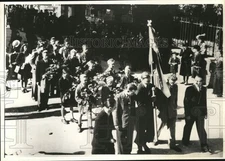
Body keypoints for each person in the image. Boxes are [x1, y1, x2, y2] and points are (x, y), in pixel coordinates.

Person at [182, 76, 209, 152]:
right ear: (194, 81)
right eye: (196, 81)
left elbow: (204, 101)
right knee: (188, 126)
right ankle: (185, 141)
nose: (198, 83)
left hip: (200, 113)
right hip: (190, 112)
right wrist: (187, 114)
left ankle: (204, 144)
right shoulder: (189, 89)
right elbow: (186, 102)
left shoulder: (204, 89)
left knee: (201, 128)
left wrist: (205, 112)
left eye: (200, 81)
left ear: (202, 81)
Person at [156, 74, 182, 152]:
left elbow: (175, 97)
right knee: (161, 125)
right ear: (168, 80)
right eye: (172, 80)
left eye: (174, 80)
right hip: (165, 111)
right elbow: (159, 99)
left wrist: (175, 106)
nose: (173, 82)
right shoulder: (164, 87)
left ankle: (172, 143)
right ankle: (155, 138)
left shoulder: (175, 87)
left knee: (172, 127)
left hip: (172, 110)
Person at [113, 83, 137, 154]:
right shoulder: (119, 97)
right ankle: (121, 153)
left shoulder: (133, 95)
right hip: (121, 121)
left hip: (130, 121)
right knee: (121, 139)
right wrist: (116, 123)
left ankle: (128, 151)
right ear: (128, 91)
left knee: (129, 138)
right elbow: (116, 111)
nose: (133, 95)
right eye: (132, 93)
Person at [134, 72, 155, 154]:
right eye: (146, 79)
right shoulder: (139, 87)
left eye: (148, 79)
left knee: (149, 129)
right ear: (142, 79)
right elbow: (139, 99)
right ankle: (140, 147)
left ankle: (143, 143)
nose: (147, 80)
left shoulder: (150, 86)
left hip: (149, 110)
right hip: (141, 111)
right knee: (141, 129)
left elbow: (154, 89)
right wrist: (150, 99)